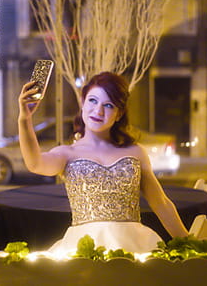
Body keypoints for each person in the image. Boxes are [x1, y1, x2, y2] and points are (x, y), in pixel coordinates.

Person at [18, 71, 189, 255]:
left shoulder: (135, 152)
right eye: (92, 101)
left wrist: (190, 241)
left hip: (135, 245)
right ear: (82, 103)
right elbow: (35, 164)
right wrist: (25, 119)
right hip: (83, 249)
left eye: (108, 105)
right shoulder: (67, 154)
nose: (98, 111)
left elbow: (161, 203)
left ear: (119, 113)